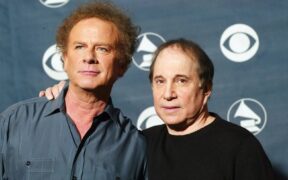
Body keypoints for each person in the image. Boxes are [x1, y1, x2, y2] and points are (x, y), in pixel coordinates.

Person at [40, 39, 275, 180]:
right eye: (160, 81)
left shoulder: (239, 147)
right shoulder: (141, 142)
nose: (168, 93)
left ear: (206, 89)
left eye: (181, 80)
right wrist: (71, 96)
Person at [0, 1, 147, 180]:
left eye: (102, 49)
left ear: (122, 65)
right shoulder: (14, 122)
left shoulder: (135, 146)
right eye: (79, 47)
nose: (89, 57)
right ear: (65, 59)